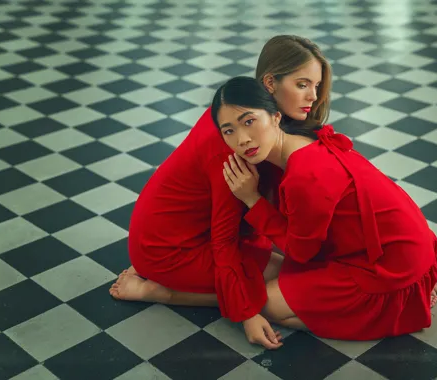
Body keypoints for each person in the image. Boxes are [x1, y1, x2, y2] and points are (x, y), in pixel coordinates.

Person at [109, 35, 332, 349]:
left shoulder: (252, 116)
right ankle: (160, 292)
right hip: (168, 248)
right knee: (281, 283)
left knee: (301, 265)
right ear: (270, 83)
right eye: (302, 84)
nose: (313, 96)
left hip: (201, 230)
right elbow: (223, 238)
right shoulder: (237, 143)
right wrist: (247, 313)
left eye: (317, 85)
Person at [213, 76, 437, 341]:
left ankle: (392, 312)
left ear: (275, 116)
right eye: (229, 130)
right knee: (277, 277)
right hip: (404, 245)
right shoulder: (305, 140)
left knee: (268, 304)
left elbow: (300, 252)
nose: (243, 139)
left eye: (249, 121)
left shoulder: (304, 174)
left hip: (389, 268)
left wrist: (252, 199)